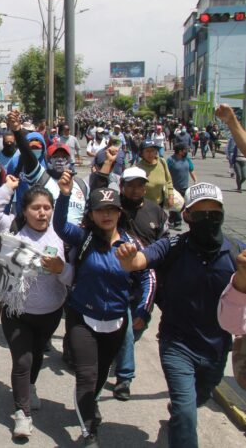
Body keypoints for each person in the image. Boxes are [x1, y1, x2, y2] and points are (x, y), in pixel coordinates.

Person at [116, 182, 244, 448]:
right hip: (177, 344)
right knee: (186, 413)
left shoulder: (235, 252)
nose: (207, 219)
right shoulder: (173, 245)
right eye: (200, 213)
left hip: (217, 348)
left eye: (214, 213)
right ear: (186, 215)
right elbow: (141, 260)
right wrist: (129, 260)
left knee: (193, 401)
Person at [53, 172, 153, 447]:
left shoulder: (131, 245)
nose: (106, 215)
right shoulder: (83, 237)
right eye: (100, 210)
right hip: (82, 317)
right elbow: (60, 226)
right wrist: (63, 196)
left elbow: (148, 277)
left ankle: (89, 406)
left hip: (116, 322)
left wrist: (144, 310)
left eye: (111, 210)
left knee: (98, 377)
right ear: (92, 214)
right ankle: (90, 433)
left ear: (119, 213)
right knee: (86, 375)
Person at [0, 176, 72, 439]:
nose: (42, 212)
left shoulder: (62, 231)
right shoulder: (11, 226)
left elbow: (71, 276)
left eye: (46, 207)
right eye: (35, 207)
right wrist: (8, 187)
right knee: (22, 359)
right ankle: (22, 414)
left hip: (51, 310)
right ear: (24, 210)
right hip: (15, 310)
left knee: (35, 355)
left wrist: (61, 269)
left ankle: (30, 387)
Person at [109, 167, 168, 402]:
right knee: (125, 329)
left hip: (147, 279)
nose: (135, 189)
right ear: (122, 185)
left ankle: (119, 355)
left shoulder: (156, 212)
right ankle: (125, 378)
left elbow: (165, 244)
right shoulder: (114, 209)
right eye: (131, 184)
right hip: (118, 277)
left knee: (138, 325)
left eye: (140, 185)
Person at [166, 144, 197, 230]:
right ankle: (178, 222)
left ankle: (171, 219)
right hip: (174, 187)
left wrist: (195, 180)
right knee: (176, 204)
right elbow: (165, 172)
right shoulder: (170, 160)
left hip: (184, 186)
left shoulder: (187, 160)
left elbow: (191, 170)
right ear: (179, 151)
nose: (186, 152)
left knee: (180, 205)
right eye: (185, 150)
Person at [136, 139, 174, 208]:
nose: (150, 154)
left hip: (160, 203)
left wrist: (171, 196)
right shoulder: (137, 168)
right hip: (144, 205)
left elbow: (169, 180)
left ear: (156, 152)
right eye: (147, 151)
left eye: (152, 150)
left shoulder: (162, 162)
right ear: (142, 153)